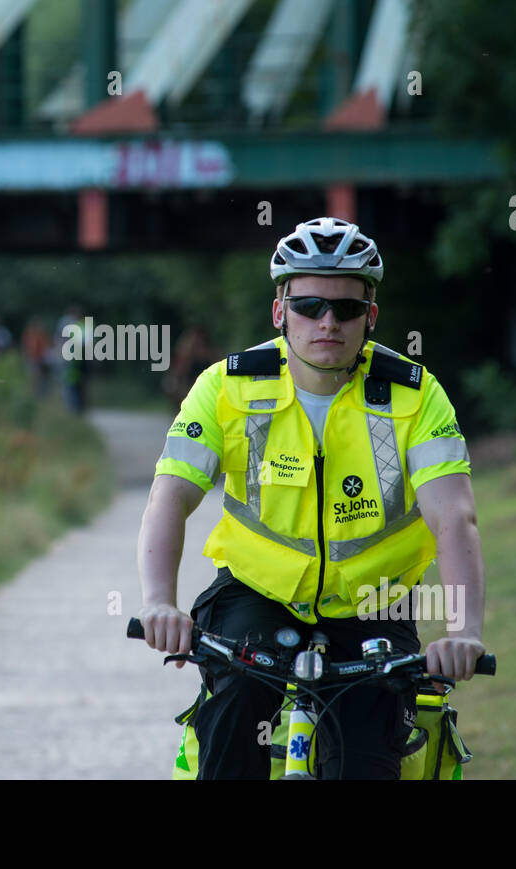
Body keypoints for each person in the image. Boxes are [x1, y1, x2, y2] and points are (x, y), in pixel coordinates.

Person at [135, 217, 487, 780]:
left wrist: (465, 631)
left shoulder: (417, 396)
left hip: (376, 604)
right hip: (256, 596)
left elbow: (455, 517)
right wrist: (158, 601)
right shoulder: (227, 387)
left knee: (367, 763)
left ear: (369, 318)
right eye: (309, 306)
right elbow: (168, 498)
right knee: (232, 715)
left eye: (346, 309)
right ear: (280, 312)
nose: (328, 321)